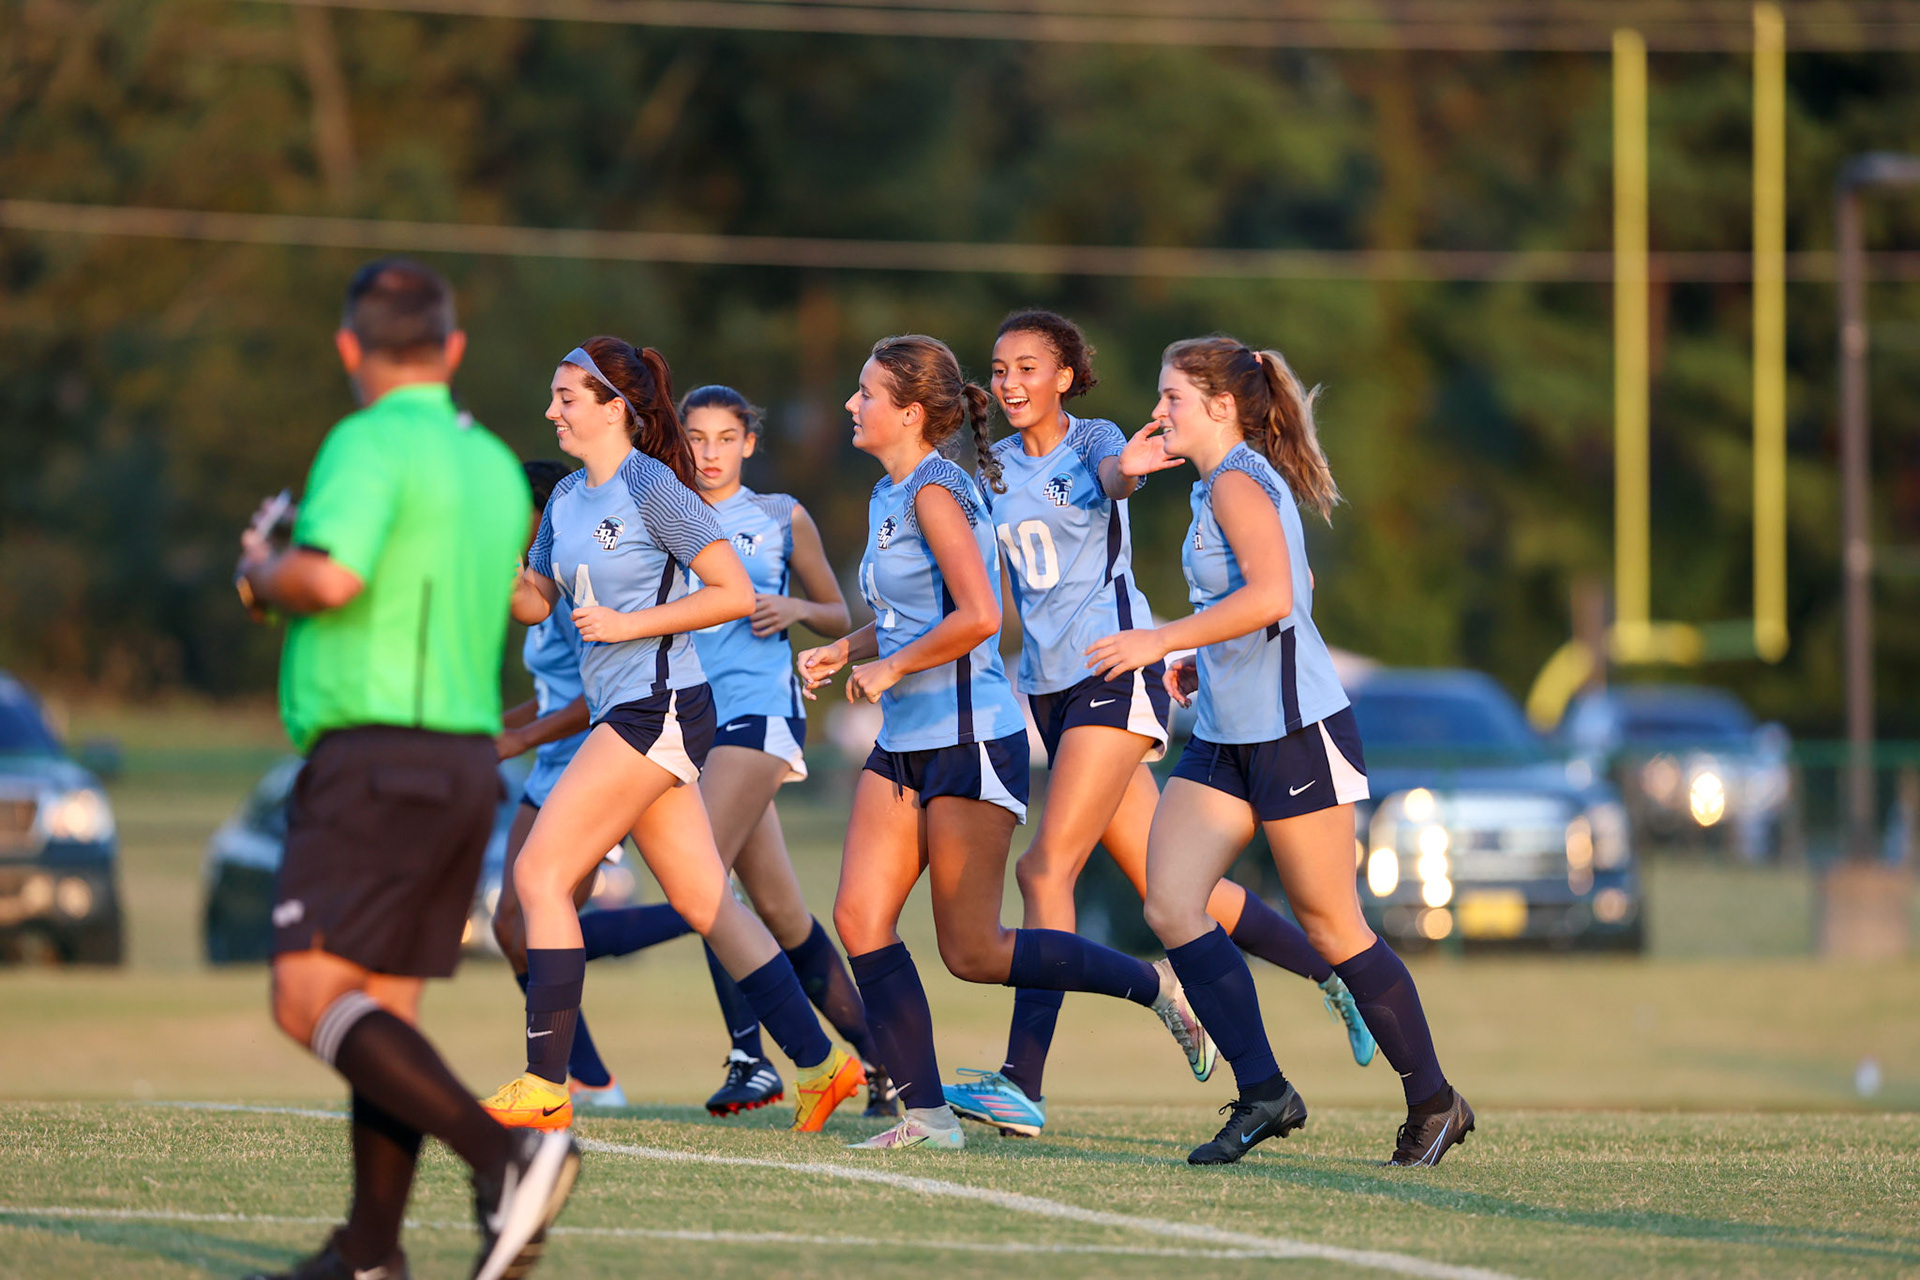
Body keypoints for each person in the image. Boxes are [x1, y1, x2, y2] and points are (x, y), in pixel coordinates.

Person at [942, 311, 1377, 1140]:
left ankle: (1020, 1083)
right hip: (1049, 690)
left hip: (1117, 673)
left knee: (1044, 870)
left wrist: (1129, 471)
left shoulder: (1096, 439)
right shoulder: (988, 469)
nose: (1009, 382)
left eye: (1028, 367)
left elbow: (1117, 474)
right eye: (999, 369)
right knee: (1172, 887)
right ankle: (1330, 973)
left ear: (1064, 377)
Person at [237, 258, 576, 1280]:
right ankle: (371, 1250)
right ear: (453, 348)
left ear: (350, 346)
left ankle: (510, 1156)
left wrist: (262, 570)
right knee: (382, 1011)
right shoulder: (490, 464)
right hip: (465, 763)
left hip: (378, 753)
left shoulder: (367, 438)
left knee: (306, 997)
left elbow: (332, 576)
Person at [797, 334, 1211, 1152]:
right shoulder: (888, 493)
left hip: (969, 739)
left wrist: (891, 668)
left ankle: (1152, 983)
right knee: (859, 916)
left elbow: (981, 615)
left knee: (974, 951)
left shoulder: (939, 490)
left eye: (866, 392)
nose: (852, 404)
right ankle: (928, 1116)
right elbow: (912, 613)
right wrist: (846, 649)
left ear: (909, 413)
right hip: (904, 738)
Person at [1085, 336, 1473, 1167]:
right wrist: (1204, 656)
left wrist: (1163, 639)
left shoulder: (1236, 480)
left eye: (1173, 398)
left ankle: (1436, 1103)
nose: (1158, 412)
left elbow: (1275, 595)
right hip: (1226, 735)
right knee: (1171, 904)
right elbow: (1278, 596)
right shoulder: (1212, 486)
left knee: (1333, 928)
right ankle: (1264, 1092)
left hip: (1296, 734)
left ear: (1222, 407)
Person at [479, 337, 865, 1136]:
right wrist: (494, 566)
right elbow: (535, 602)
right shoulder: (566, 498)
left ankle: (547, 1084)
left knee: (540, 875)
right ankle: (823, 1065)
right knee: (704, 901)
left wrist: (630, 624)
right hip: (631, 709)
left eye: (566, 398)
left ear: (614, 408)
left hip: (656, 707)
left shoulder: (653, 485)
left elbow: (732, 592)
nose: (551, 411)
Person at [678, 385, 895, 1118]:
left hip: (760, 714)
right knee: (779, 912)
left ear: (749, 442)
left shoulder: (780, 515)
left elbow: (836, 611)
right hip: (690, 724)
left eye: (725, 438)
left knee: (699, 876)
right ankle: (883, 1059)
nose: (710, 453)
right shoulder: (667, 513)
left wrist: (795, 607)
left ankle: (753, 1057)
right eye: (697, 438)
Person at [490, 459, 695, 1112]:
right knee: (513, 923)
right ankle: (587, 1077)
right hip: (553, 759)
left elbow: (592, 694)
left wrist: (521, 738)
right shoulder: (532, 574)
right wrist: (495, 727)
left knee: (542, 901)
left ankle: (564, 1082)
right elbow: (552, 689)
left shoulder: (565, 574)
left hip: (596, 750)